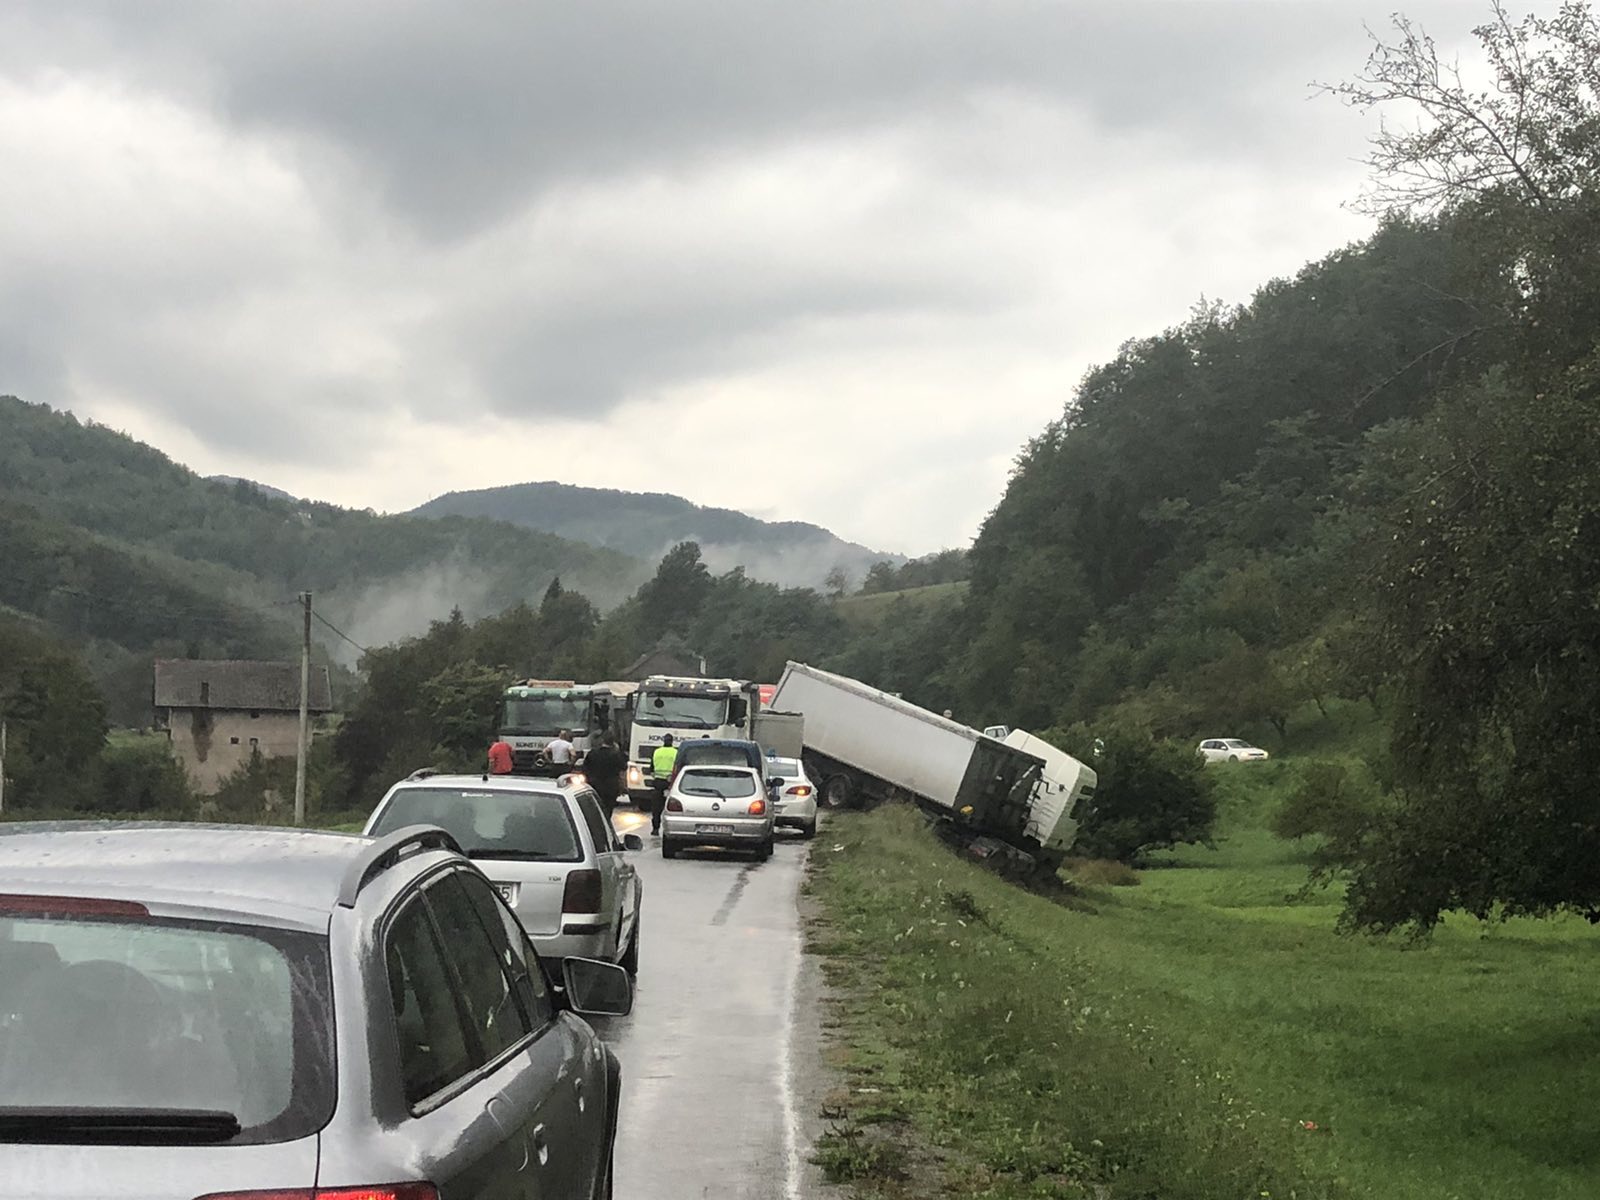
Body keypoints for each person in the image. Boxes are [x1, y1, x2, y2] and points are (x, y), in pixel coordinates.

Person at [584, 733, 627, 811]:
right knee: (608, 808)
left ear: (602, 741)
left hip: (595, 785)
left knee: (596, 808)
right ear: (613, 743)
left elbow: (585, 768)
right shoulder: (615, 755)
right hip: (611, 787)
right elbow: (624, 767)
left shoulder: (593, 753)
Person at [649, 734, 678, 835]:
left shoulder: (657, 752)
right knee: (672, 809)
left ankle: (655, 829)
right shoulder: (676, 752)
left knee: (656, 809)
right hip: (671, 784)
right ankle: (671, 829)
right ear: (672, 741)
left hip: (658, 783)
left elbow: (651, 770)